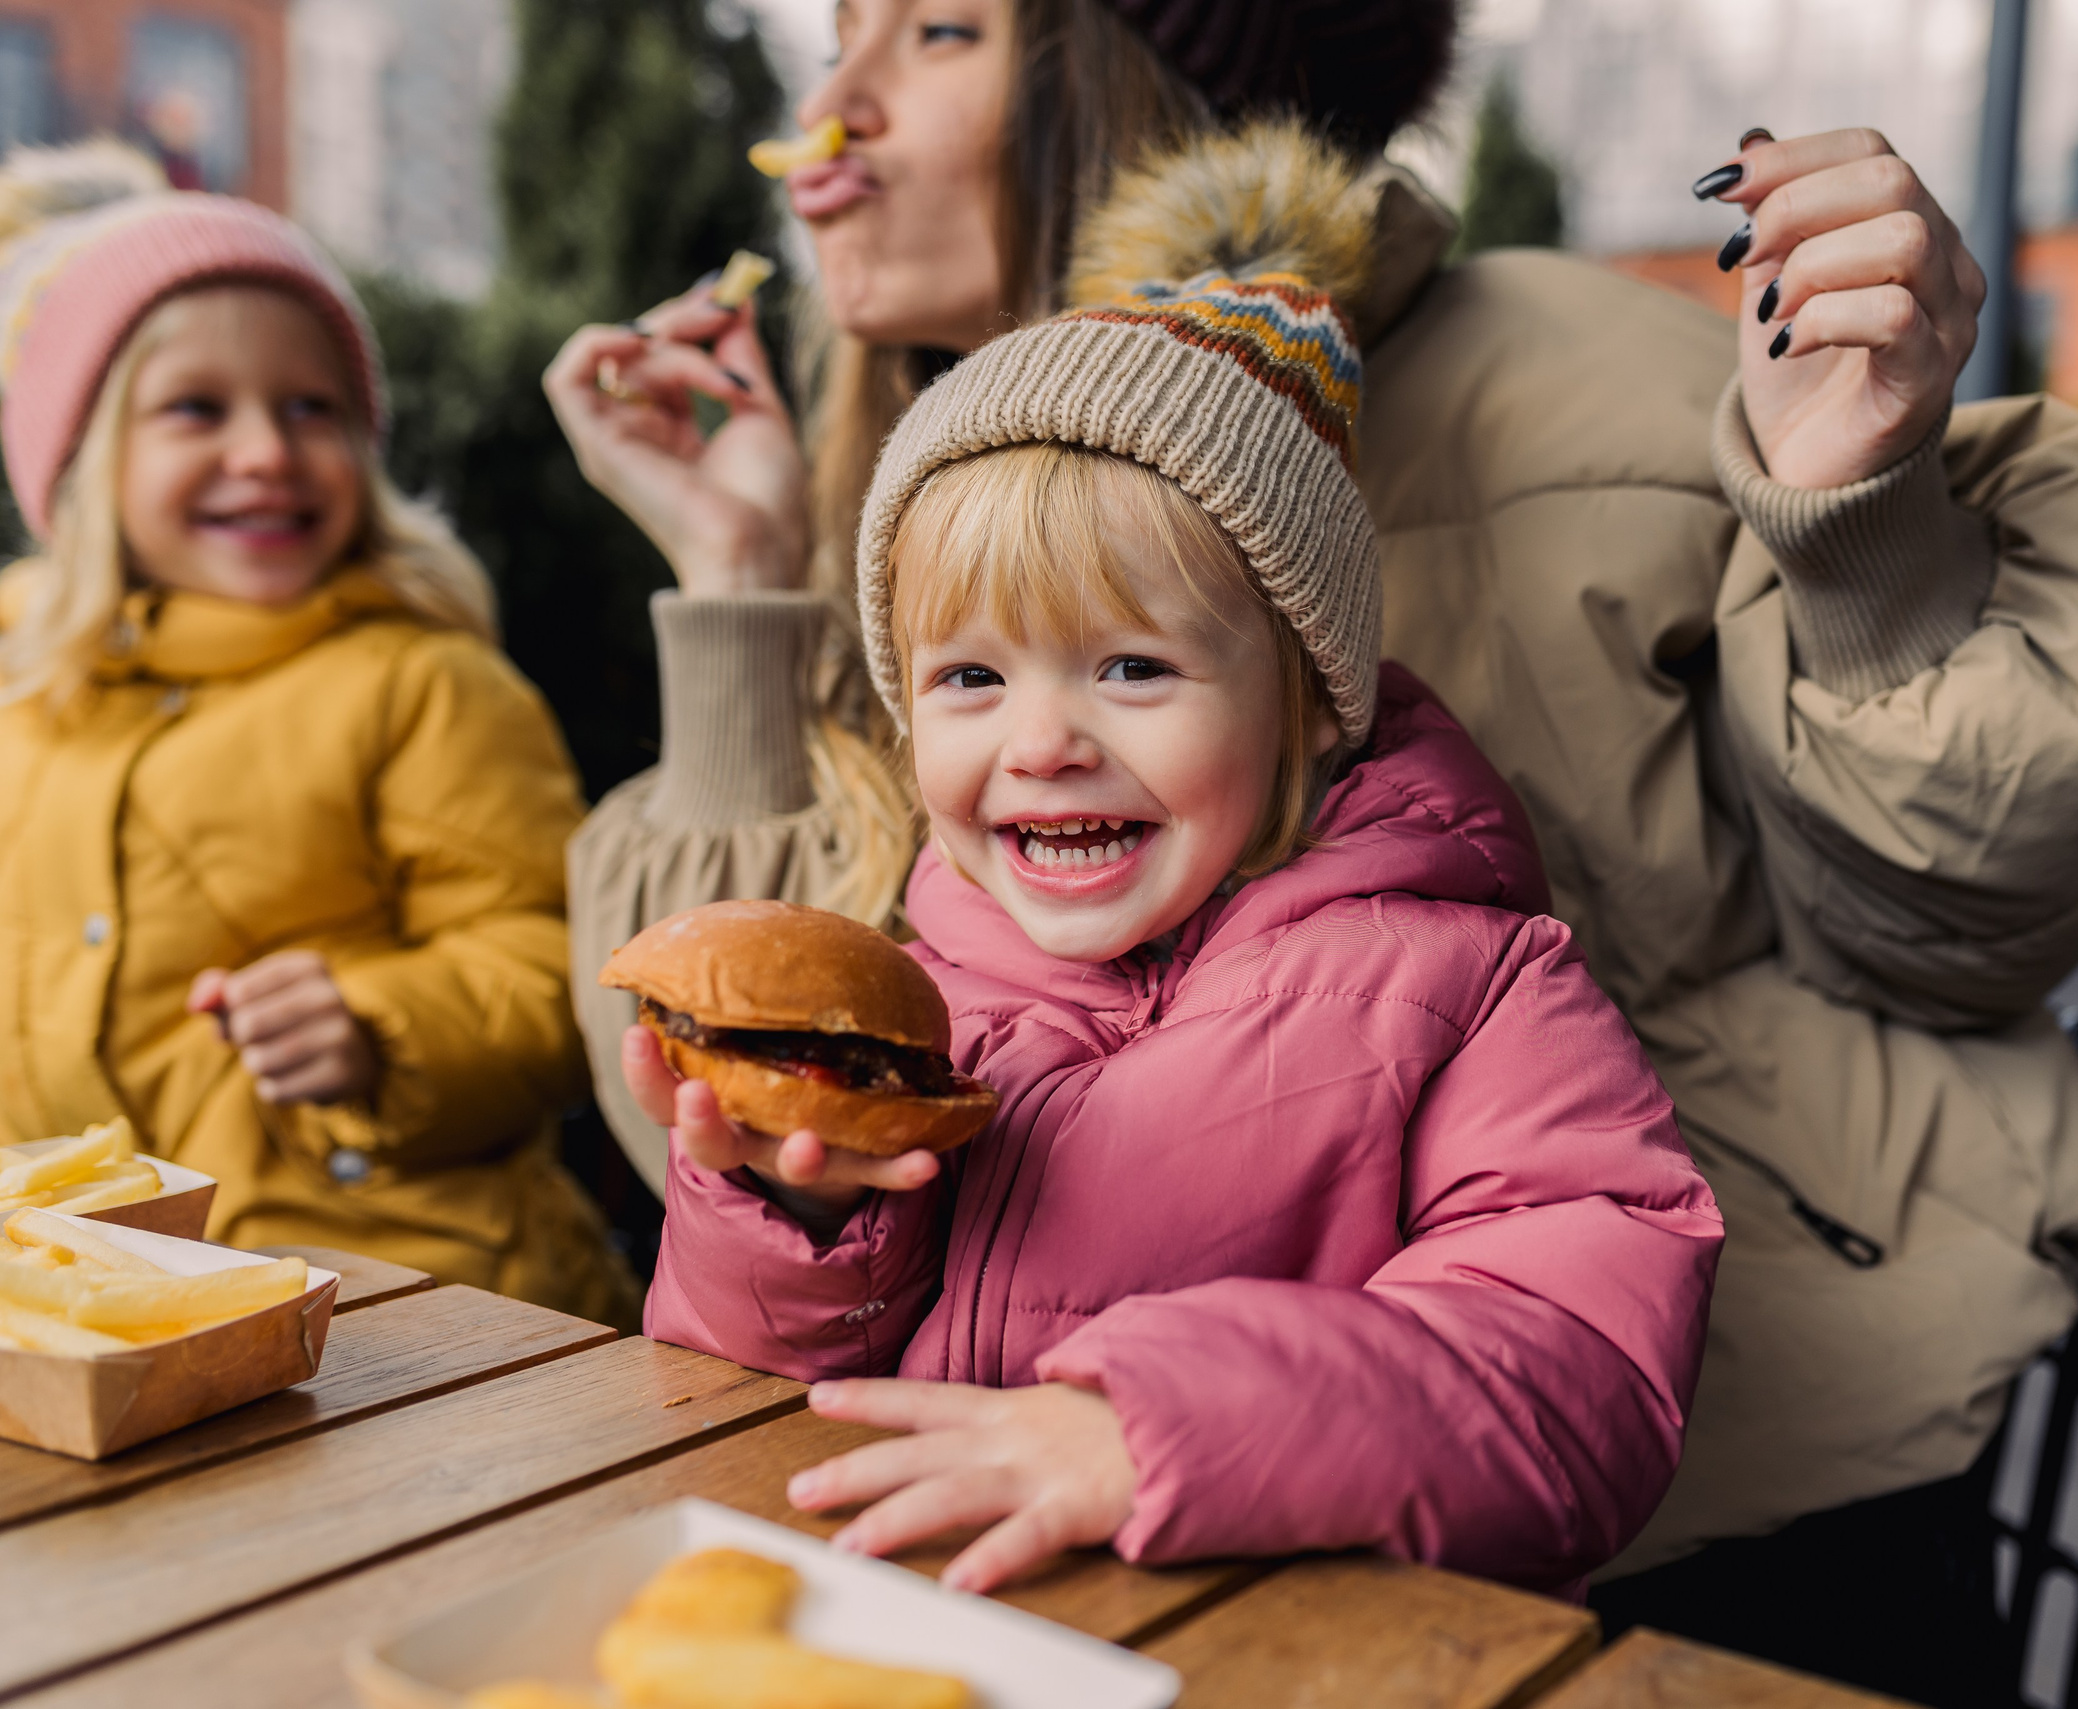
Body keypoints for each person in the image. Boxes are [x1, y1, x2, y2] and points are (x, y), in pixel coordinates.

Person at [550, 2, 2078, 1696]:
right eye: (972, 679)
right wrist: (743, 582)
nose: (823, 117)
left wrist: (1862, 516)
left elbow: (1972, 915)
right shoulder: (907, 490)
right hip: (1060, 1588)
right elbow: (703, 1103)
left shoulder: (1597, 405)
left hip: (1689, 1542)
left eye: (930, 27)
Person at [634, 140, 1725, 1597]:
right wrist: (801, 1216)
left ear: (1311, 699)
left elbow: (1577, 1373)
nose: (1040, 744)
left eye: (1132, 665)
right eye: (967, 678)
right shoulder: (911, 998)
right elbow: (752, 1395)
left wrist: (1154, 1429)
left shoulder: (1471, 985)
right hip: (946, 1627)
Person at [0, 143, 635, 1324]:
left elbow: (559, 975)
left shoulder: (424, 682)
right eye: (198, 408)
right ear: (79, 464)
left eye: (314, 408)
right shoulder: (24, 695)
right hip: (95, 1315)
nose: (267, 452)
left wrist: (377, 1027)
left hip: (407, 1305)